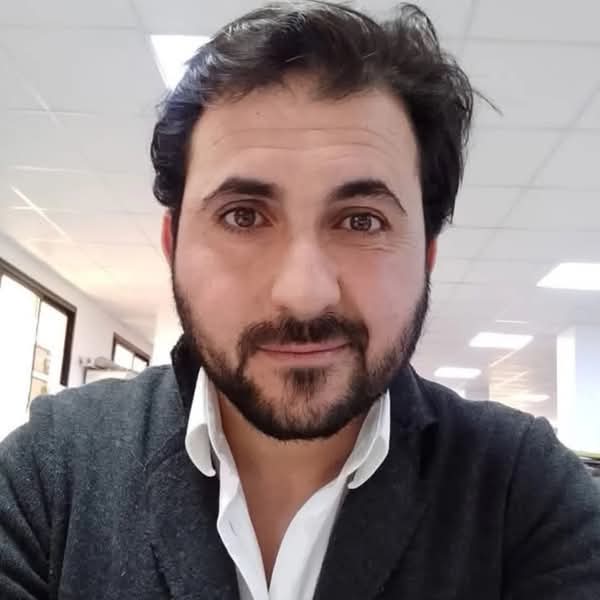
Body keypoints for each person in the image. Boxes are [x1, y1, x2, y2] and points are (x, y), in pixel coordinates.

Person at [1, 2, 599, 598]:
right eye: (242, 216)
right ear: (172, 243)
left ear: (427, 254)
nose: (304, 293)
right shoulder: (52, 474)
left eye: (362, 221)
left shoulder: (525, 491)